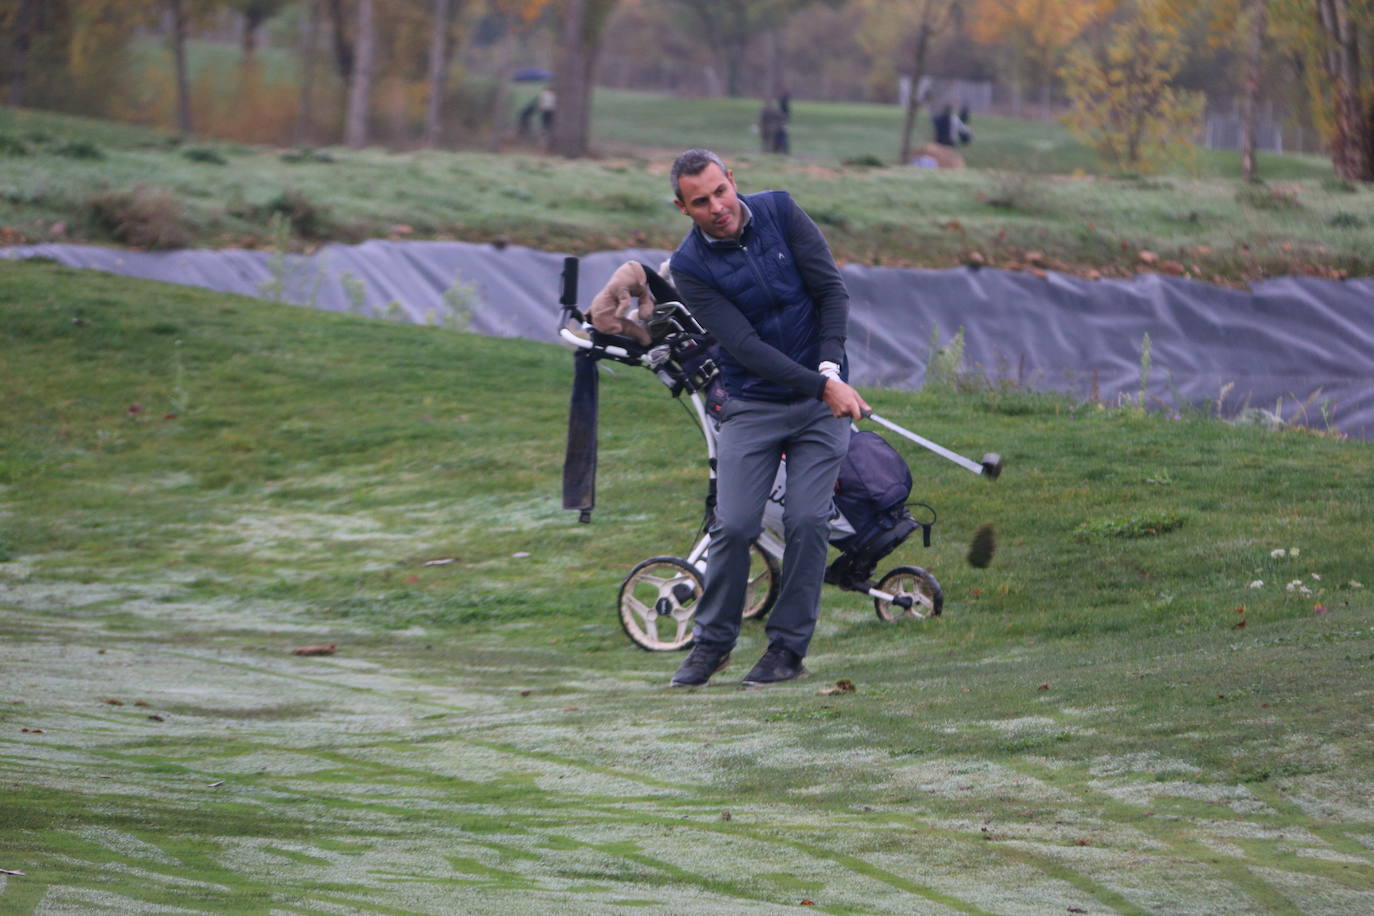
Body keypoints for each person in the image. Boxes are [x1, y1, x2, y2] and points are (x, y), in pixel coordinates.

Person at [665, 148, 868, 688]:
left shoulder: (779, 211)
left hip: (820, 400)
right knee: (731, 525)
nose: (717, 207)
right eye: (700, 201)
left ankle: (787, 650)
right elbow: (746, 347)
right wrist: (824, 384)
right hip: (752, 403)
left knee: (806, 520)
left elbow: (830, 290)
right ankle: (712, 644)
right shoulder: (689, 266)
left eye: (720, 191)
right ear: (683, 207)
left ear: (732, 181)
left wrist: (829, 369)